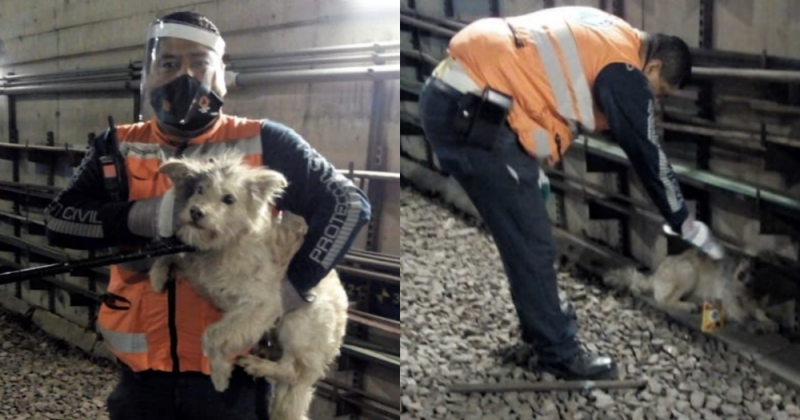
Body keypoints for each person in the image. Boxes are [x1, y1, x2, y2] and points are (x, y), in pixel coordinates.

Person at [43, 11, 371, 419]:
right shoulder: (116, 146)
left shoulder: (267, 141)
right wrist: (139, 217)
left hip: (233, 381)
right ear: (147, 74)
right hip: (140, 379)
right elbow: (58, 222)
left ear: (222, 74)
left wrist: (295, 285)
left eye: (200, 63)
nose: (185, 77)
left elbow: (350, 205)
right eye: (168, 63)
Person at [418, 6, 724, 380]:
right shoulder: (625, 71)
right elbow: (646, 152)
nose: (653, 102)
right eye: (658, 92)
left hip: (459, 99)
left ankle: (540, 336)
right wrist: (684, 221)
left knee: (522, 236)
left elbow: (542, 80)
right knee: (533, 244)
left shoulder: (609, 31)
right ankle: (559, 352)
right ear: (654, 67)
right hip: (476, 114)